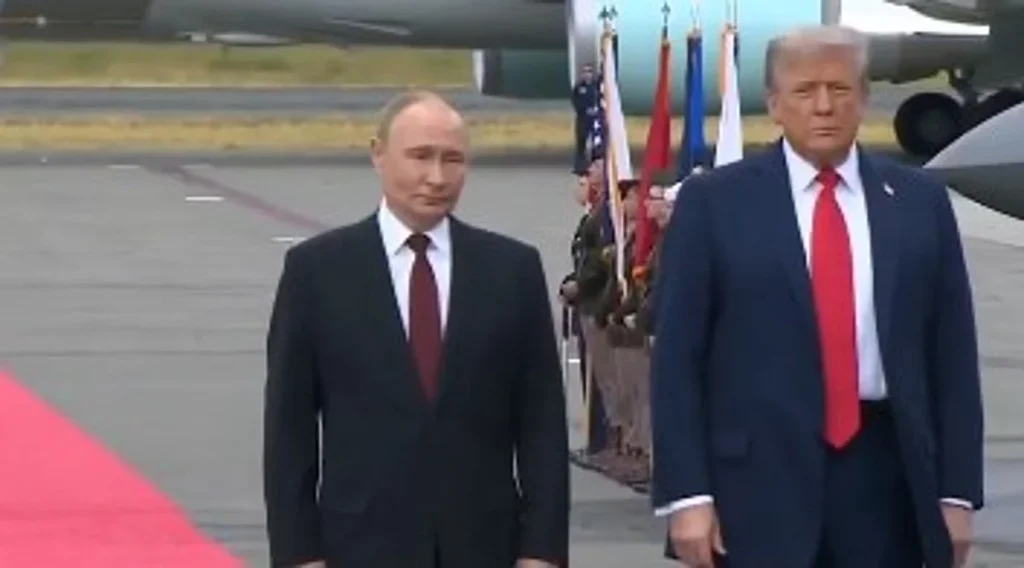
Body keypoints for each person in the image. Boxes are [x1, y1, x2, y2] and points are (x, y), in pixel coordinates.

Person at [649, 25, 983, 568]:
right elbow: (676, 361)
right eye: (805, 91)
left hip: (886, 483)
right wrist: (687, 496)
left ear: (864, 99)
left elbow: (952, 357)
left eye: (840, 89)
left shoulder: (919, 202)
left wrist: (957, 494)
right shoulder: (714, 204)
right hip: (753, 488)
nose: (824, 106)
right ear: (774, 104)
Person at [262, 90, 569, 568]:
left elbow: (541, 424)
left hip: (485, 547)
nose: (437, 177)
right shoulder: (317, 272)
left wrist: (542, 552)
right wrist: (298, 555)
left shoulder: (512, 270)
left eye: (453, 159)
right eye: (420, 156)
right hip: (359, 547)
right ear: (378, 154)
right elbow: (289, 430)